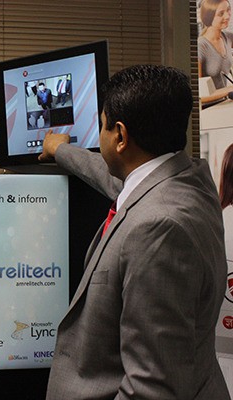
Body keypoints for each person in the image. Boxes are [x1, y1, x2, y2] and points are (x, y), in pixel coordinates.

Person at [39, 65, 230, 399]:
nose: (100, 137)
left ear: (121, 137)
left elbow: (151, 387)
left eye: (102, 126)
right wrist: (60, 150)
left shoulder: (159, 228)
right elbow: (115, 178)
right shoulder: (189, 179)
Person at [198, 0, 233, 105]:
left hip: (224, 104)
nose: (227, 16)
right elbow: (198, 95)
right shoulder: (201, 46)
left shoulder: (227, 37)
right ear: (209, 17)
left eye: (228, 10)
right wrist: (229, 90)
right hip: (208, 109)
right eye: (221, 13)